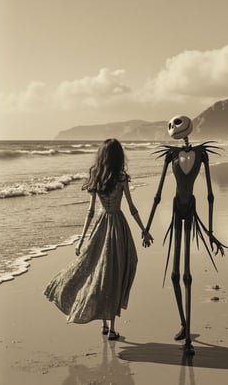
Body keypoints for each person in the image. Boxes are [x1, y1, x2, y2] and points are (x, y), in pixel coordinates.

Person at [44, 138, 153, 340]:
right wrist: (144, 229)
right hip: (118, 226)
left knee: (100, 270)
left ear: (102, 156)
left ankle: (104, 325)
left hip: (101, 226)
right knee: (117, 271)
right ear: (119, 156)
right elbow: (131, 207)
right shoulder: (121, 178)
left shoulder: (96, 176)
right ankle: (111, 328)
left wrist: (82, 238)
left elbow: (91, 211)